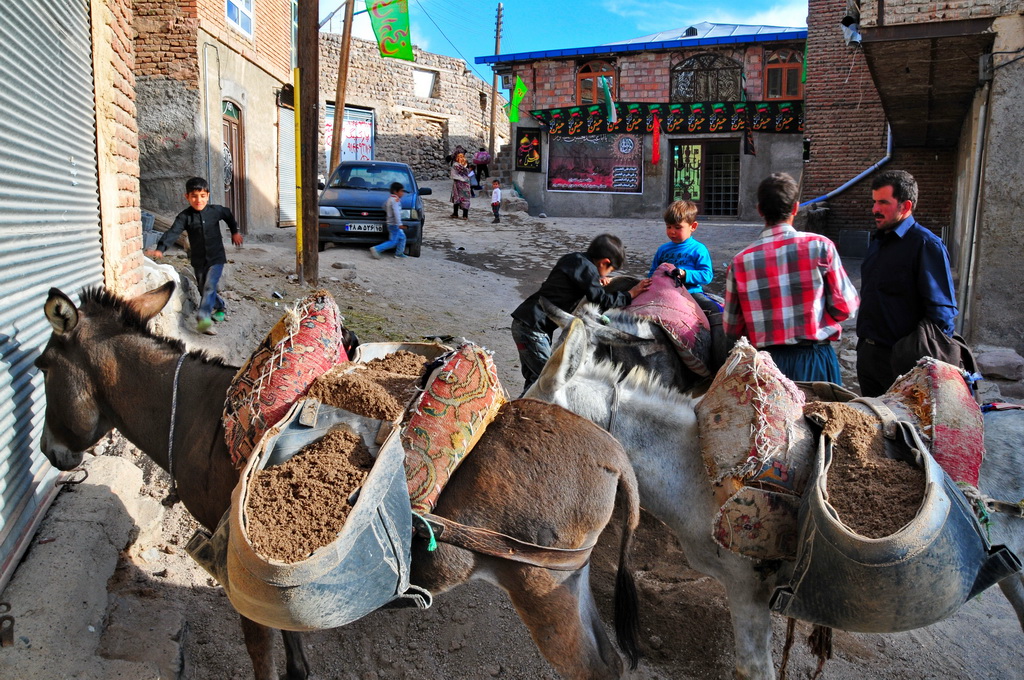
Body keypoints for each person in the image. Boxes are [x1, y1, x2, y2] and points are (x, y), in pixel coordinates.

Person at [724, 172, 859, 384]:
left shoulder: (740, 262)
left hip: (766, 366)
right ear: (796, 208)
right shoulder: (821, 246)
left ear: (760, 210)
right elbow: (846, 308)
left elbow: (732, 328)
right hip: (815, 361)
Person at [857, 169, 958, 397]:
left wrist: (912, 356)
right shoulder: (878, 241)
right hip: (868, 357)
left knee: (905, 431)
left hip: (902, 363)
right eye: (874, 202)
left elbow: (942, 315)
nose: (875, 210)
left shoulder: (925, 245)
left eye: (883, 203)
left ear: (906, 206)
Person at [511, 234, 651, 393]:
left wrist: (597, 278)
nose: (607, 275)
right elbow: (600, 299)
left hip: (526, 323)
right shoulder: (586, 268)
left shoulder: (574, 259)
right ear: (605, 262)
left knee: (534, 378)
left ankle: (520, 409)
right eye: (609, 270)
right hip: (533, 329)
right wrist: (631, 294)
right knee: (548, 381)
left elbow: (579, 283)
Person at [144, 176, 242, 335]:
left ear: (208, 195)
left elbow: (228, 215)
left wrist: (235, 232)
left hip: (216, 258)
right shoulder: (185, 217)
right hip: (198, 259)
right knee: (204, 289)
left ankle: (204, 319)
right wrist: (161, 249)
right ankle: (220, 306)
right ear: (187, 197)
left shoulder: (215, 211)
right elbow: (173, 232)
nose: (198, 200)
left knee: (210, 286)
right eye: (194, 196)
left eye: (202, 196)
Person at [648, 199, 716, 313]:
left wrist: (685, 274)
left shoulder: (698, 249)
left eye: (677, 227)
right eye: (668, 227)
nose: (672, 232)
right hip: (664, 291)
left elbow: (707, 275)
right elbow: (652, 273)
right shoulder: (663, 250)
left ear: (693, 226)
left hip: (691, 293)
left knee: (715, 310)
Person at [369, 182, 408, 260]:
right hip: (394, 224)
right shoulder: (395, 200)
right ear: (395, 191)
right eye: (401, 191)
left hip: (391, 223)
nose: (403, 193)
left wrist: (389, 214)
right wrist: (399, 224)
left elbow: (384, 206)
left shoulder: (390, 199)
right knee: (393, 241)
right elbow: (396, 213)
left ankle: (399, 253)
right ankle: (377, 249)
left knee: (402, 237)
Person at [450, 152, 471, 219]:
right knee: (466, 199)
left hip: (458, 183)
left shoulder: (455, 165)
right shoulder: (466, 165)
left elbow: (453, 174)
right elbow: (470, 173)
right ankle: (465, 215)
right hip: (466, 184)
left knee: (457, 197)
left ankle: (455, 213)